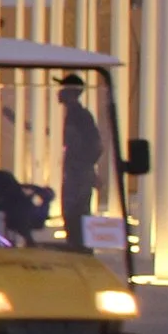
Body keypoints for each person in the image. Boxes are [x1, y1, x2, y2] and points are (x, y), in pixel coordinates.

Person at [59, 75, 102, 249]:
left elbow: (95, 145)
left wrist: (85, 168)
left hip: (78, 176)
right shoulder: (74, 115)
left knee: (77, 215)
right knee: (72, 216)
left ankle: (80, 250)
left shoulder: (81, 116)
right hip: (75, 173)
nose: (59, 92)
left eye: (63, 89)